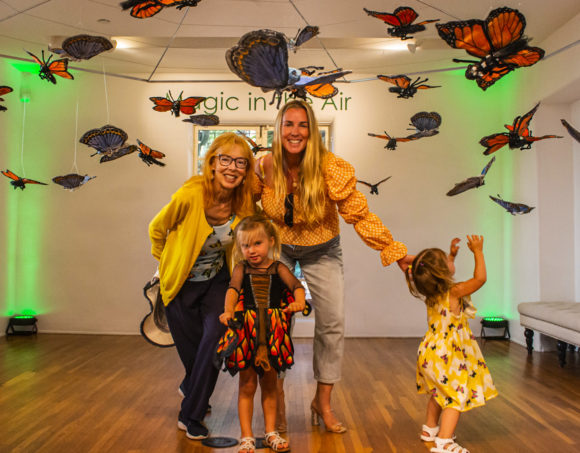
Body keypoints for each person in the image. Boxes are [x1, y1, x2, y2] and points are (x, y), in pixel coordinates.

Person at [253, 99, 411, 433]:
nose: (295, 132)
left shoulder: (330, 167)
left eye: (302, 125)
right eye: (289, 124)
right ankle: (276, 396)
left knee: (333, 321)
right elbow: (240, 204)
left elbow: (359, 212)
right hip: (279, 248)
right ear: (278, 129)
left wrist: (393, 250)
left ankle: (322, 402)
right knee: (274, 322)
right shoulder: (264, 166)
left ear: (311, 131)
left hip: (322, 249)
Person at [148, 132, 255, 440]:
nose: (232, 167)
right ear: (211, 164)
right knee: (193, 352)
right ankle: (192, 386)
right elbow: (157, 229)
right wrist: (168, 262)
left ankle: (191, 415)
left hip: (218, 283)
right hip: (180, 285)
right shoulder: (189, 195)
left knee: (214, 342)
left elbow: (252, 235)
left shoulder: (244, 202)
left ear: (246, 169)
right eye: (225, 159)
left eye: (240, 162)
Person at [216, 215, 306, 453]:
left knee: (270, 385)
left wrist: (298, 302)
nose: (252, 250)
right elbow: (232, 291)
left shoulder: (279, 268)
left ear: (271, 242)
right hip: (247, 333)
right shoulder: (240, 269)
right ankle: (246, 436)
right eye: (246, 245)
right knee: (246, 385)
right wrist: (227, 312)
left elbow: (297, 286)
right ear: (240, 247)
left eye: (257, 244)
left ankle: (270, 433)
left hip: (273, 333)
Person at [406, 235, 497, 453]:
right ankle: (444, 442)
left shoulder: (430, 292)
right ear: (442, 273)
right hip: (448, 355)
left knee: (439, 392)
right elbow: (480, 279)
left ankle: (429, 429)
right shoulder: (453, 293)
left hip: (431, 353)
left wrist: (452, 254)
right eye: (447, 262)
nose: (451, 264)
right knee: (455, 397)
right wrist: (478, 251)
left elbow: (446, 272)